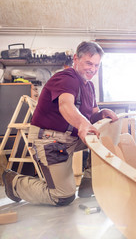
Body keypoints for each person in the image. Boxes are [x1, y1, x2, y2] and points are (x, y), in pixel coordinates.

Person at [2, 41, 118, 206]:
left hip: (71, 137)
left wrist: (101, 114)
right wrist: (84, 125)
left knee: (106, 134)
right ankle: (14, 182)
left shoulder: (90, 86)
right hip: (50, 140)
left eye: (97, 66)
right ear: (76, 59)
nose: (93, 69)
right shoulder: (66, 78)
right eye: (89, 63)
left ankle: (89, 182)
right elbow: (66, 105)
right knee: (62, 196)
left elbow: (92, 117)